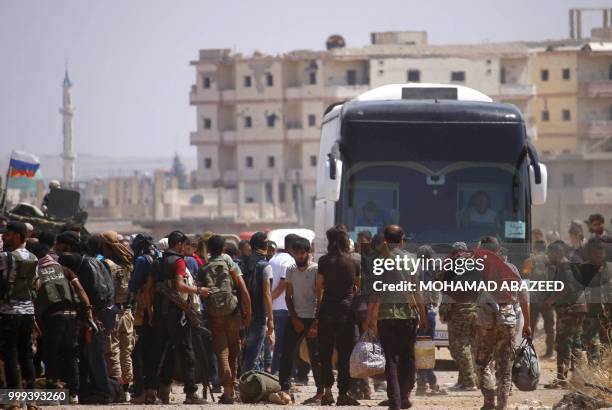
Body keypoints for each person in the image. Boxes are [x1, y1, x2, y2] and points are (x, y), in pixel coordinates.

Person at [368, 225, 427, 410]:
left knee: (391, 359)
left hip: (385, 317)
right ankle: (405, 395)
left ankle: (394, 401)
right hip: (407, 315)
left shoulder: (378, 261)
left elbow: (374, 293)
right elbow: (417, 291)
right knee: (407, 357)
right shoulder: (411, 260)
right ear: (402, 240)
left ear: (385, 240)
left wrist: (371, 319)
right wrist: (423, 316)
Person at [56, 231, 115, 404]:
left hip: (95, 315)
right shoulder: (96, 261)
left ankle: (104, 393)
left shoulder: (80, 265)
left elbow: (91, 293)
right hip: (107, 311)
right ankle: (94, 390)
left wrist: (90, 315)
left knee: (95, 354)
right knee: (93, 353)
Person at [34, 232, 93, 404]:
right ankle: (74, 395)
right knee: (71, 355)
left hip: (53, 319)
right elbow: (80, 291)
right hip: (72, 318)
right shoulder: (65, 270)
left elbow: (35, 293)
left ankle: (54, 396)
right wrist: (88, 311)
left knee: (51, 354)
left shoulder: (38, 271)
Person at [473, 236, 531, 410]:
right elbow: (523, 298)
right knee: (505, 366)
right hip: (507, 319)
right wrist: (527, 323)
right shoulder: (510, 268)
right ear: (498, 251)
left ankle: (489, 399)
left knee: (482, 363)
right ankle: (502, 406)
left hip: (485, 321)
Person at [151, 230, 208, 404]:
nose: (185, 248)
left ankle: (161, 392)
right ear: (179, 244)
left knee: (164, 352)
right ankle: (191, 393)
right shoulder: (178, 261)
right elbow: (180, 285)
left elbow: (151, 287)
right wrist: (199, 290)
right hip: (177, 313)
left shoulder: (159, 261)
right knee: (186, 353)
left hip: (161, 312)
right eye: (184, 244)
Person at [199, 234, 251, 404]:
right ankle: (231, 388)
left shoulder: (204, 266)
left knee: (221, 350)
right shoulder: (229, 263)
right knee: (234, 349)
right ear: (223, 249)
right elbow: (243, 289)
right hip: (232, 311)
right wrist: (247, 313)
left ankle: (227, 390)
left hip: (215, 314)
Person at [316, 225, 361, 406]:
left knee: (325, 353)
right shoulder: (353, 262)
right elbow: (356, 287)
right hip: (346, 311)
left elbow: (319, 286)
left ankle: (327, 392)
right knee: (344, 355)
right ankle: (343, 393)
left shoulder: (324, 261)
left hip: (327, 311)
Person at [279, 237, 323, 404]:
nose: (299, 256)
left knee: (315, 356)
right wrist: (294, 318)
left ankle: (320, 391)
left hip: (312, 318)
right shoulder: (290, 269)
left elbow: (320, 296)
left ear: (308, 253)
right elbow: (288, 296)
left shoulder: (315, 270)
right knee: (287, 353)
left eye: (302, 253)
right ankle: (285, 388)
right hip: (295, 318)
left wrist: (315, 322)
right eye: (296, 253)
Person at [0, 222, 39, 404]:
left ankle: (13, 401)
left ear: (17, 235)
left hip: (9, 312)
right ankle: (31, 401)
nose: (3, 237)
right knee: (27, 355)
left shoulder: (6, 257)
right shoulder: (33, 257)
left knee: (10, 355)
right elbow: (36, 286)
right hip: (28, 312)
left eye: (7, 234)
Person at [543, 241, 586, 388]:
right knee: (575, 344)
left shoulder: (565, 267)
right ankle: (579, 379)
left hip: (569, 310)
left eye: (549, 253)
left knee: (563, 344)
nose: (548, 257)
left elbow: (567, 288)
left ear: (557, 253)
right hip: (577, 309)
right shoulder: (568, 266)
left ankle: (562, 380)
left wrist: (551, 300)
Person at [99, 231, 135, 401]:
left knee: (112, 351)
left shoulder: (106, 264)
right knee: (126, 352)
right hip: (126, 312)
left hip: (112, 313)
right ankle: (126, 389)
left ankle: (116, 389)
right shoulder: (128, 263)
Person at [442, 241, 479, 392]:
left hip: (459, 311)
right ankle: (464, 379)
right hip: (474, 310)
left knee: (459, 347)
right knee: (469, 346)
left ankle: (469, 381)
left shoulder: (452, 266)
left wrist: (444, 312)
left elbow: (447, 292)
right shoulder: (475, 266)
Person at [128, 234, 160, 404]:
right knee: (154, 353)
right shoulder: (158, 256)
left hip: (144, 311)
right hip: (159, 311)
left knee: (138, 353)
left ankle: (140, 392)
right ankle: (153, 391)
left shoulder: (141, 260)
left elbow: (133, 287)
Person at [239, 232, 274, 373]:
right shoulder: (265, 266)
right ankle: (245, 384)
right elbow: (266, 294)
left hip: (243, 313)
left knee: (246, 351)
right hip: (258, 314)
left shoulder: (242, 263)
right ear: (263, 246)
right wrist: (270, 319)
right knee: (254, 353)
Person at [415, 245, 446, 396]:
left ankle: (428, 381)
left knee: (421, 347)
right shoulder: (433, 270)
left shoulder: (415, 268)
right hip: (427, 313)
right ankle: (425, 382)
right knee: (426, 348)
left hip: (416, 312)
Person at [268, 234, 298, 375]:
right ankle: (278, 373)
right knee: (282, 345)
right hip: (284, 307)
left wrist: (269, 300)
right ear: (292, 247)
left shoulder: (274, 258)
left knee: (277, 344)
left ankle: (276, 371)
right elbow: (282, 285)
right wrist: (271, 297)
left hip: (273, 307)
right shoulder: (289, 261)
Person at [580, 238, 612, 364]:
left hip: (608, 316)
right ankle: (593, 369)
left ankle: (602, 369)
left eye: (600, 252)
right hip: (590, 315)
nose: (598, 255)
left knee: (607, 345)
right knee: (592, 344)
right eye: (594, 252)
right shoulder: (583, 269)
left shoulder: (610, 269)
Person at [522, 239, 555, 358]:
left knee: (530, 326)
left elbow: (525, 276)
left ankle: (527, 351)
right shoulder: (551, 261)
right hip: (547, 299)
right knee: (549, 328)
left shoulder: (529, 261)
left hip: (534, 299)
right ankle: (549, 352)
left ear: (534, 248)